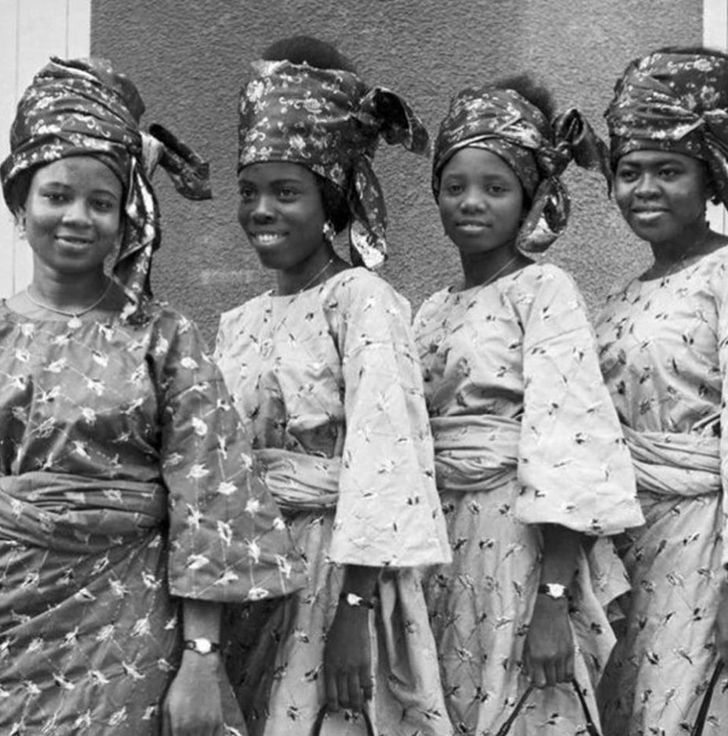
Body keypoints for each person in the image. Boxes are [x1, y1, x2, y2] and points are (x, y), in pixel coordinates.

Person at [0, 56, 306, 736]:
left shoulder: (164, 338)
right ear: (20, 200)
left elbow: (210, 495)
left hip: (131, 620)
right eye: (56, 196)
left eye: (101, 202)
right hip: (8, 620)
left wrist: (201, 658)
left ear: (126, 214)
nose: (77, 217)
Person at [214, 36, 453, 736]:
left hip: (336, 576)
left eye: (286, 191)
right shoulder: (236, 321)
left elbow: (387, 456)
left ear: (332, 197)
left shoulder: (362, 301)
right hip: (255, 572)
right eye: (249, 191)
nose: (262, 210)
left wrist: (354, 612)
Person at [413, 77, 645, 735]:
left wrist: (552, 598)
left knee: (529, 709)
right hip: (441, 548)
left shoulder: (544, 290)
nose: (472, 203)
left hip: (520, 544)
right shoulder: (430, 310)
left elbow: (567, 440)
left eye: (495, 188)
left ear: (529, 199)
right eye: (455, 186)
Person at [596, 47, 728, 735]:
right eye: (629, 172)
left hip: (704, 544)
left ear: (710, 178)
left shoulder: (724, 275)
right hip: (628, 542)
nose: (644, 188)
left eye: (668, 171)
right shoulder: (616, 301)